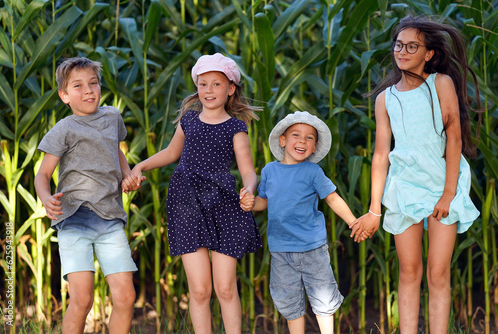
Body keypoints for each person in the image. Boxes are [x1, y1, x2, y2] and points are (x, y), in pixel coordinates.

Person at [351, 16, 481, 333]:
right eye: (399, 45)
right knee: (409, 271)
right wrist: (373, 208)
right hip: (405, 185)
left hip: (440, 182)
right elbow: (381, 154)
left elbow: (453, 137)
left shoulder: (440, 83)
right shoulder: (386, 98)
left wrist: (449, 192)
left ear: (429, 54)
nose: (403, 51)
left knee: (438, 272)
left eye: (412, 46)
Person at [123, 53, 262, 334]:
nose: (208, 91)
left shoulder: (237, 127)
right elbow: (172, 153)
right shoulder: (189, 121)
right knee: (199, 290)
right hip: (185, 202)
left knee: (225, 287)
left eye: (216, 84)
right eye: (203, 84)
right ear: (197, 87)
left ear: (231, 88)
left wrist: (249, 189)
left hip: (224, 204)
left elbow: (248, 170)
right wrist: (140, 165)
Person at [34, 57, 137, 334]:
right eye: (78, 86)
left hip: (110, 218)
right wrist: (46, 198)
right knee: (82, 299)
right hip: (74, 218)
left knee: (126, 297)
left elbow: (116, 152)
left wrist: (126, 176)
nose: (89, 90)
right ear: (64, 95)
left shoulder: (112, 116)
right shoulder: (65, 129)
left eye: (93, 83)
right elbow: (42, 175)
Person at [240, 111, 360, 334]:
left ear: (314, 147)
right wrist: (249, 202)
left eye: (309, 138)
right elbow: (264, 202)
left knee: (323, 299)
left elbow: (332, 198)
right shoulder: (269, 170)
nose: (302, 141)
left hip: (312, 247)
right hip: (281, 249)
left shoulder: (313, 172)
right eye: (296, 135)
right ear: (283, 141)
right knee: (289, 300)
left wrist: (353, 222)